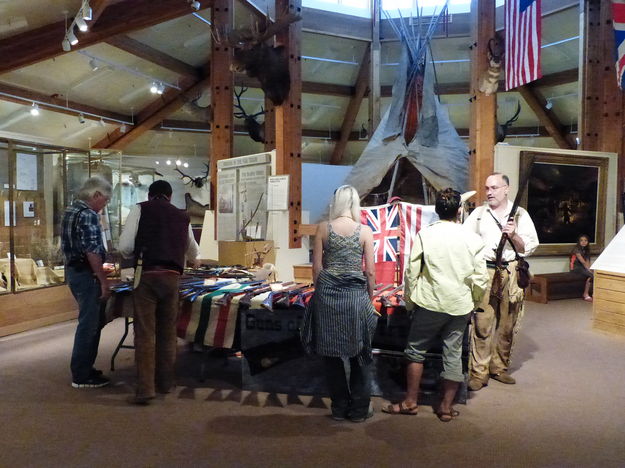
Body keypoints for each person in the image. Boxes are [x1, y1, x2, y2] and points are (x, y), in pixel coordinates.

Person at [382, 188, 488, 421]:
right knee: (452, 355)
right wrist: (474, 302)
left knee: (415, 351)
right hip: (459, 305)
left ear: (437, 210)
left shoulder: (425, 235)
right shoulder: (472, 238)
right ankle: (446, 408)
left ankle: (410, 402)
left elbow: (411, 273)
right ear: (459, 211)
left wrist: (409, 302)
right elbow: (480, 278)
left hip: (429, 303)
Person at [300, 185, 378, 422]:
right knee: (359, 354)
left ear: (336, 203)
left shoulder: (323, 228)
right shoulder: (365, 232)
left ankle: (339, 407)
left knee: (332, 356)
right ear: (355, 204)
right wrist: (370, 297)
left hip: (328, 299)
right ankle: (359, 410)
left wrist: (322, 291)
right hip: (355, 300)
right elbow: (371, 273)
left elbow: (317, 268)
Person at [118, 180, 200, 405]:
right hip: (172, 277)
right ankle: (165, 382)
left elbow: (125, 246)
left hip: (146, 276)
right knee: (167, 332)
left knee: (145, 333)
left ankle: (145, 389)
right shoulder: (182, 216)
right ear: (170, 196)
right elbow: (193, 251)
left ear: (150, 194)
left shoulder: (140, 208)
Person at [464, 173, 539, 391]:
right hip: (485, 272)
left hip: (512, 273)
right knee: (482, 323)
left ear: (506, 189)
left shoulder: (521, 215)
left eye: (495, 188)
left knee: (508, 323)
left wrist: (514, 235)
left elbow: (530, 247)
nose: (489, 192)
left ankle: (499, 367)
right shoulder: (478, 214)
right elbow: (465, 240)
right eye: (487, 187)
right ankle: (478, 372)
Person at [61, 176, 113, 388]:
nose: (105, 204)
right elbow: (91, 250)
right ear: (97, 195)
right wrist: (102, 280)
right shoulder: (89, 215)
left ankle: (84, 368)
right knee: (89, 325)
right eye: (106, 200)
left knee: (89, 323)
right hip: (86, 275)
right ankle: (81, 375)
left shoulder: (70, 211)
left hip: (73, 273)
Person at [570, 234, 593, 302]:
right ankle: (585, 294)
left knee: (592, 275)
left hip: (583, 268)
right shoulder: (576, 249)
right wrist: (589, 270)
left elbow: (587, 261)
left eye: (585, 240)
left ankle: (590, 293)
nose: (583, 242)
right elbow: (583, 262)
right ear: (579, 242)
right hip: (576, 267)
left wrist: (590, 269)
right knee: (592, 275)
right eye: (581, 240)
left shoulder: (587, 250)